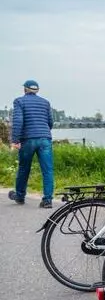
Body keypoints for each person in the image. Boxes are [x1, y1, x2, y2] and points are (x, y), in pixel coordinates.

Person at [8, 80, 55, 208]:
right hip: (45, 138)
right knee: (48, 170)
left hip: (28, 139)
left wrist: (15, 140)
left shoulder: (19, 101)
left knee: (24, 168)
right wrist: (43, 132)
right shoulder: (45, 103)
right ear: (37, 90)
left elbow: (18, 121)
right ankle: (47, 200)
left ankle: (20, 196)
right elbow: (50, 122)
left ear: (25, 89)